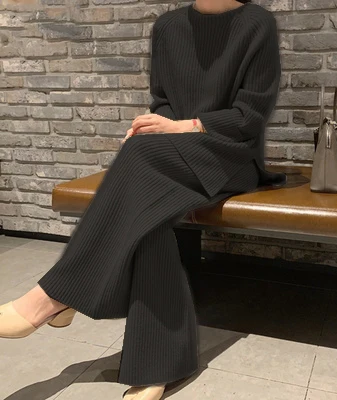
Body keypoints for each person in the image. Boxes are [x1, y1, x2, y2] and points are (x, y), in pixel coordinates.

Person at [0, 0, 287, 399]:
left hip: (230, 157)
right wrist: (155, 127)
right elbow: (162, 100)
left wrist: (185, 126)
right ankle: (157, 366)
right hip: (174, 153)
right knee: (149, 218)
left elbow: (250, 116)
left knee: (138, 160)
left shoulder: (257, 23)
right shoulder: (168, 26)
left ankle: (55, 297)